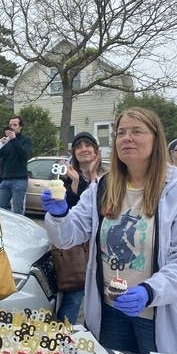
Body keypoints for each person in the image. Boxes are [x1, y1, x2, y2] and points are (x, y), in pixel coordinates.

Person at [41, 107, 177, 354]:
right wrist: (58, 215)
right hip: (110, 310)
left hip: (156, 311)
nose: (126, 138)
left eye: (136, 131)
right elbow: (67, 237)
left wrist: (150, 291)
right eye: (121, 133)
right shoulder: (104, 186)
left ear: (156, 139)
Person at [54, 132, 104, 324]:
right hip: (77, 247)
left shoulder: (110, 175)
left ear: (95, 150)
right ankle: (63, 334)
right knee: (74, 294)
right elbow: (68, 213)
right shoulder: (66, 177)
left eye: (87, 145)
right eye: (78, 147)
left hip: (102, 245)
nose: (83, 149)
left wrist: (92, 176)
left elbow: (102, 206)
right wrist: (75, 183)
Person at [0, 116, 32, 214]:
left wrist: (13, 139)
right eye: (10, 125)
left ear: (20, 127)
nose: (12, 127)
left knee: (17, 211)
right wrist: (0, 144)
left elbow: (24, 156)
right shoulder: (7, 142)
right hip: (5, 180)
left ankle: (20, 229)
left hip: (19, 180)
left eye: (15, 125)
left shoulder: (26, 140)